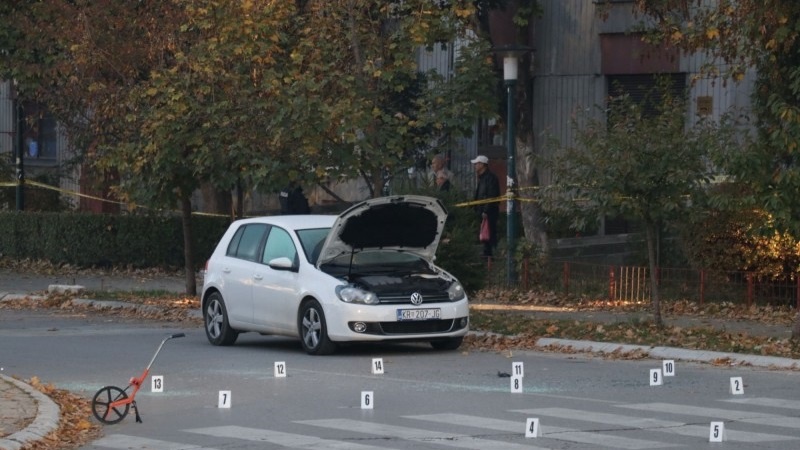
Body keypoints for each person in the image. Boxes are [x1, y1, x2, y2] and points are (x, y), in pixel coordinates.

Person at [471, 155, 500, 258]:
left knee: (490, 231)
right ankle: (486, 252)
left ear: (483, 165)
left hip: (489, 211)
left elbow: (491, 195)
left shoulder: (490, 178)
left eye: (477, 164)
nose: (475, 166)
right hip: (482, 210)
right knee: (484, 231)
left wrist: (486, 211)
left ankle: (490, 254)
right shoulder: (482, 178)